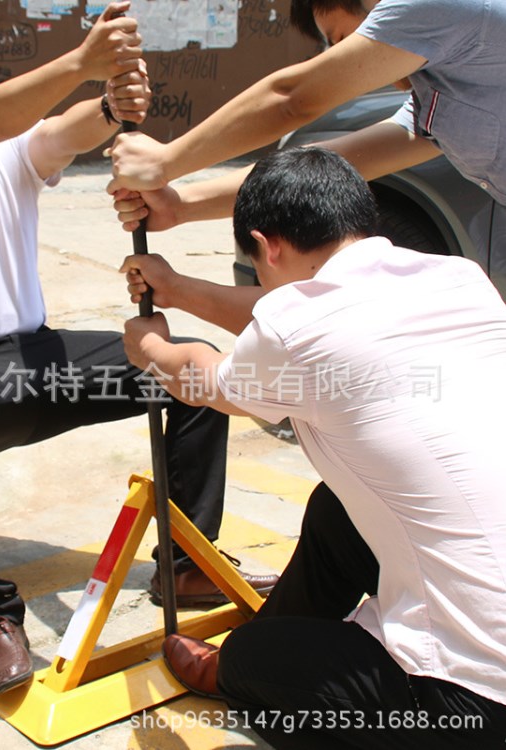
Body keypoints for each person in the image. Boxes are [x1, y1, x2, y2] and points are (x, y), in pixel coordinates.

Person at [0, 7, 277, 696]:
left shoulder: (10, 152)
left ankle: (185, 561)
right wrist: (85, 61)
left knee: (191, 369)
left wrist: (114, 102)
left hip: (40, 363)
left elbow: (59, 131)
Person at [120, 146, 506, 748]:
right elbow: (289, 316)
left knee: (252, 664)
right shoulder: (460, 279)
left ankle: (262, 669)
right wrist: (176, 287)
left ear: (265, 245)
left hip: (473, 696)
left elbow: (204, 376)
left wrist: (148, 346)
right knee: (337, 509)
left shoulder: (294, 329)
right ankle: (294, 635)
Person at [107, 0, 506, 232]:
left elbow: (292, 99)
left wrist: (164, 161)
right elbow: (333, 164)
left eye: (345, 42)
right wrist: (181, 204)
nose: (346, 59)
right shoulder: (436, 93)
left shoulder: (438, 5)